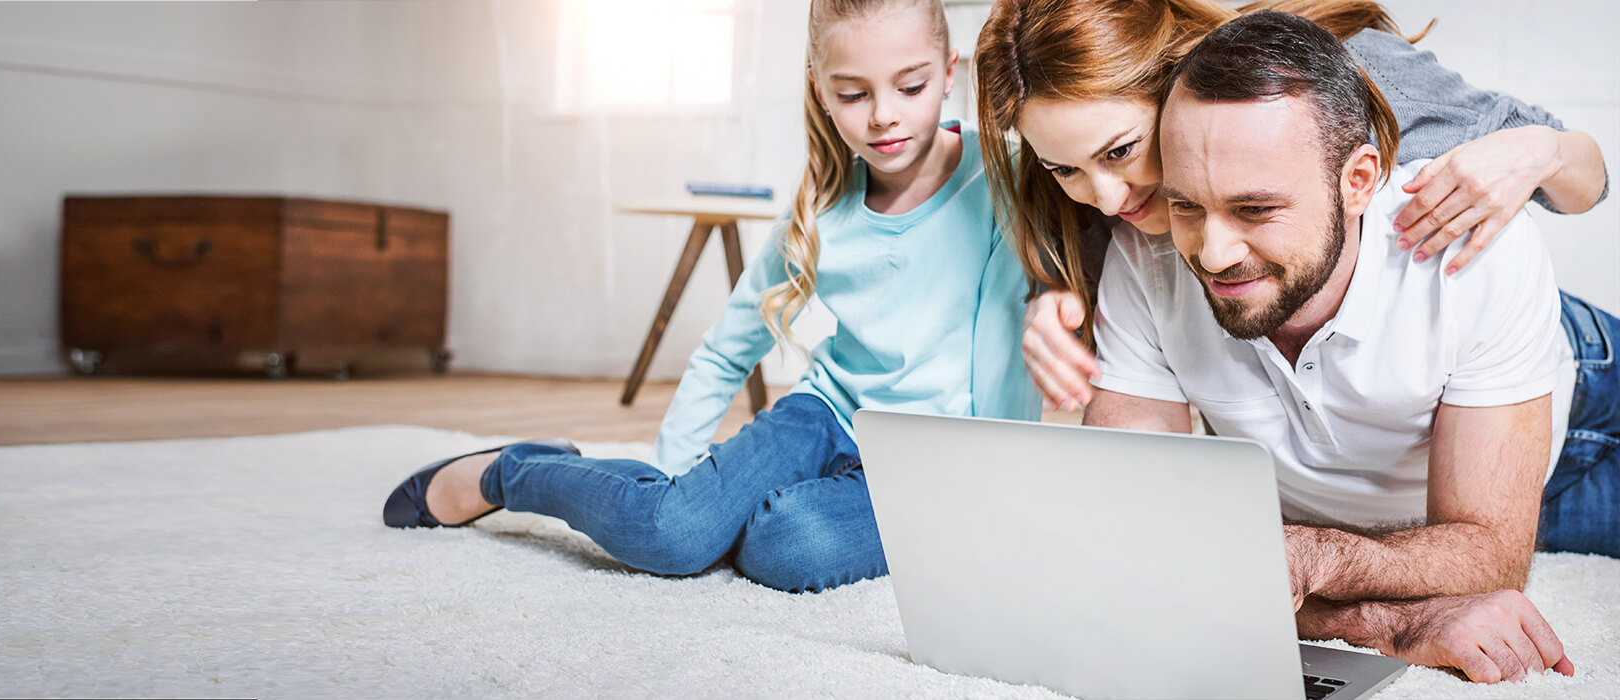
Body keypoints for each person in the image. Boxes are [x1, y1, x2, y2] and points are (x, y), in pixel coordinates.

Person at [382, 0, 1037, 594]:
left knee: (787, 545)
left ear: (950, 72)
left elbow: (1026, 328)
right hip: (823, 417)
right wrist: (666, 491)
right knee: (672, 536)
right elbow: (727, 353)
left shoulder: (1006, 175)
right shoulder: (817, 215)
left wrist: (996, 493)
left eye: (911, 85)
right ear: (821, 90)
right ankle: (510, 472)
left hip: (930, 462)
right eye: (853, 93)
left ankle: (758, 512)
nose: (884, 114)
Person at [1086, 9, 1618, 682]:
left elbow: (1491, 554)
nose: (1213, 254)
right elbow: (1122, 538)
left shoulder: (1474, 247)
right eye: (1188, 205)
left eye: (1255, 210)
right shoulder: (1148, 253)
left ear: (1359, 181)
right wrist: (1375, 620)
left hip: (1582, 426)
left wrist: (1316, 559)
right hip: (1412, 520)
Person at [973, 0, 1608, 415]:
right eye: (1065, 169)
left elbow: (1591, 181)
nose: (1108, 199)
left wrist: (1539, 152)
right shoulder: (1100, 178)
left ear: (1173, 77)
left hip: (1577, 367)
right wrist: (1051, 291)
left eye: (1122, 151)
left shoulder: (1335, 85)